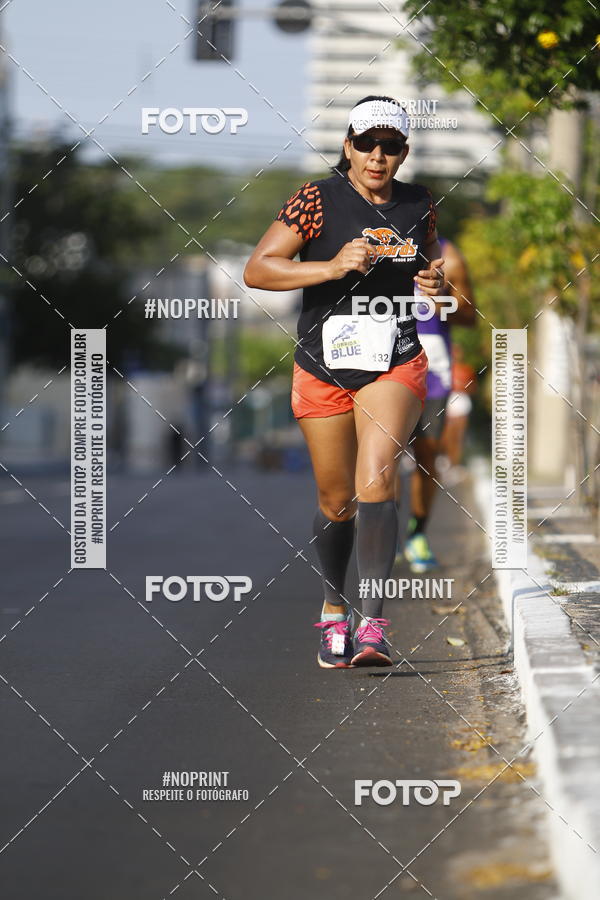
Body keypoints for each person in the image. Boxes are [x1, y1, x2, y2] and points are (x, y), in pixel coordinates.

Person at [244, 95, 445, 668]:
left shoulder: (419, 204)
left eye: (390, 146)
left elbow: (432, 271)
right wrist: (331, 267)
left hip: (394, 359)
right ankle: (335, 608)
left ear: (403, 152)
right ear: (348, 147)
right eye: (366, 144)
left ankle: (373, 625)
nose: (377, 156)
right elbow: (258, 269)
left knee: (376, 478)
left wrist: (436, 285)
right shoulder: (316, 200)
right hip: (323, 365)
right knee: (337, 501)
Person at [401, 240, 476, 573]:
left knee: (427, 455)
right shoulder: (372, 240)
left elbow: (470, 314)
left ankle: (416, 534)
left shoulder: (448, 255)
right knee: (382, 456)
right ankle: (381, 529)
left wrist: (440, 299)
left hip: (433, 368)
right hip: (383, 363)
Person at [440, 343, 477, 477]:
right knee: (445, 436)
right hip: (447, 404)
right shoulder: (444, 369)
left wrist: (462, 387)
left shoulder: (467, 369)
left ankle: (454, 465)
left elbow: (473, 388)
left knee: (458, 437)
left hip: (461, 405)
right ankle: (445, 461)